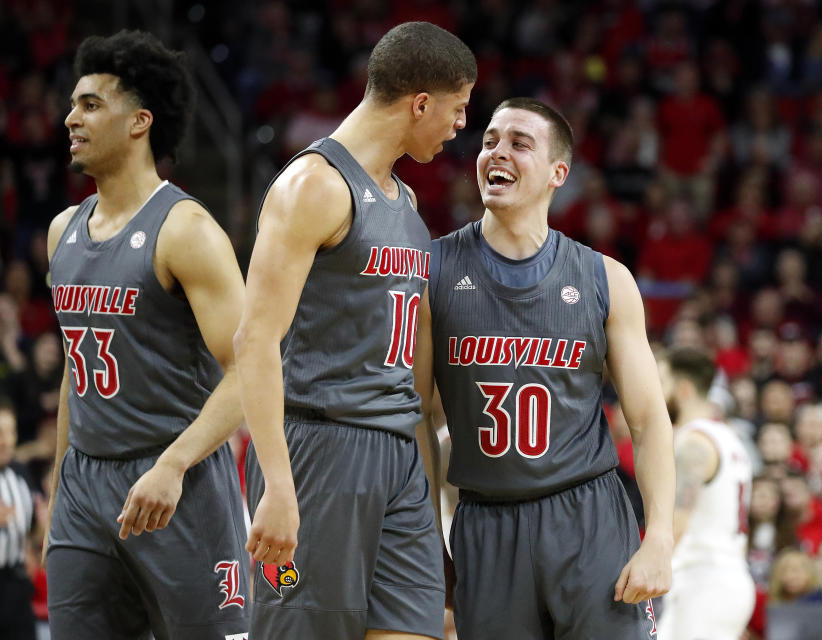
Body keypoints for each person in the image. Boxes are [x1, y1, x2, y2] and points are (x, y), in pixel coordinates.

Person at [233, 22, 476, 640]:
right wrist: (278, 486)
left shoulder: (407, 203)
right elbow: (254, 342)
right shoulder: (311, 186)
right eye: (457, 109)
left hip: (397, 453)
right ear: (420, 102)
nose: (458, 127)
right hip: (319, 449)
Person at [415, 97, 673, 639]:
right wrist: (423, 537)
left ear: (559, 173)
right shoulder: (431, 271)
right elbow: (415, 416)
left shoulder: (607, 279)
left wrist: (660, 537)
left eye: (518, 143)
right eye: (489, 141)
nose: (496, 153)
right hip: (485, 523)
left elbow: (649, 421)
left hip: (588, 516)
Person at [45, 31, 249, 639]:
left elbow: (253, 368)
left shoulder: (186, 229)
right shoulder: (63, 232)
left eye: (90, 105)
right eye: (73, 104)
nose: (70, 118)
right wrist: (60, 486)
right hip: (86, 488)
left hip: (176, 482)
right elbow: (72, 375)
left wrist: (174, 464)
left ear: (139, 122)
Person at [657, 347, 755, 640]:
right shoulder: (729, 437)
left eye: (662, 383)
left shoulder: (694, 443)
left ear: (684, 389)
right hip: (722, 577)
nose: (655, 393)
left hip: (705, 581)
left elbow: (677, 520)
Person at [0, 400, 36, 640]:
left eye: (11, 431)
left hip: (16, 583)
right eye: (0, 433)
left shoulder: (20, 472)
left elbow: (30, 529)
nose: (7, 440)